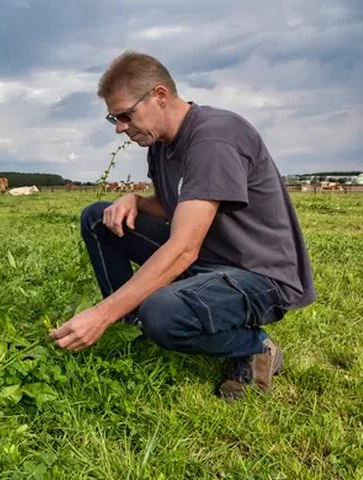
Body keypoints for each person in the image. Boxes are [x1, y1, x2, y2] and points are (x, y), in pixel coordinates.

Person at [50, 51, 316, 400]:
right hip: (211, 256)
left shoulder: (214, 138)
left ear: (160, 96)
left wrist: (101, 314)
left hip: (259, 273)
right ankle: (134, 326)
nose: (120, 128)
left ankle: (253, 347)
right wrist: (137, 201)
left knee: (162, 312)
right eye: (113, 119)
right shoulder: (161, 143)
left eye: (126, 115)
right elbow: (178, 203)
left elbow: (183, 249)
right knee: (99, 218)